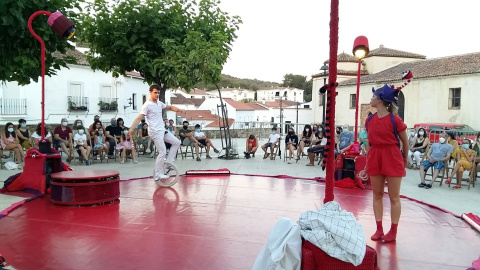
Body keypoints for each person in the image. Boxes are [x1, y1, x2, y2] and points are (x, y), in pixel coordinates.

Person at [365, 84, 409, 243]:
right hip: (376, 155)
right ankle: (379, 229)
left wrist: (405, 157)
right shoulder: (370, 119)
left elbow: (405, 140)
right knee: (376, 194)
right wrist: (367, 161)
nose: (371, 98)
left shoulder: (395, 119)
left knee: (394, 196)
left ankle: (393, 230)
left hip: (392, 156)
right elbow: (369, 142)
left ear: (380, 100)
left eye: (373, 96)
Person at [128, 84, 182, 181]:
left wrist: (178, 109)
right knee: (162, 152)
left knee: (176, 142)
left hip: (162, 130)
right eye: (155, 93)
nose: (157, 95)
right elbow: (139, 117)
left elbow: (169, 107)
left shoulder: (159, 103)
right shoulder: (147, 105)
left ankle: (168, 164)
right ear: (150, 92)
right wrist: (132, 129)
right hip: (154, 132)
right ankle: (158, 174)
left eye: (158, 93)